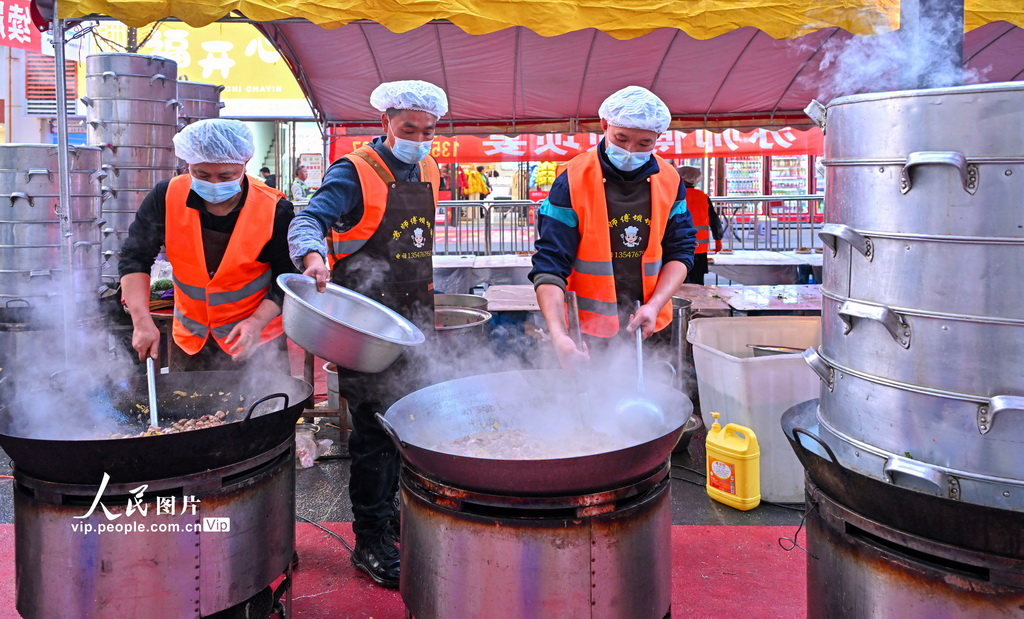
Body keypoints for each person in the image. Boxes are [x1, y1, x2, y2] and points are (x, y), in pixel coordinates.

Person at [287, 79, 447, 589]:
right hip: (366, 328)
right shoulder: (352, 170)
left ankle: (397, 515)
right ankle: (370, 540)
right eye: (408, 129)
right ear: (385, 123)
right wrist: (313, 255)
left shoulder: (428, 167)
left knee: (412, 427)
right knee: (375, 434)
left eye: (427, 130)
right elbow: (310, 219)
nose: (418, 138)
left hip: (416, 319)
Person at [529, 86, 697, 371]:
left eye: (644, 143)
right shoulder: (572, 178)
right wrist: (558, 334)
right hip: (587, 330)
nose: (631, 151)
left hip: (649, 322)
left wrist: (655, 305)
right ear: (605, 125)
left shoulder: (670, 179)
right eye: (621, 138)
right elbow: (550, 263)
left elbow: (680, 250)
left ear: (659, 138)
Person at [119, 119, 296, 373]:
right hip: (192, 339)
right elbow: (135, 258)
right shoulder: (166, 197)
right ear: (188, 165)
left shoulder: (274, 208)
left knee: (265, 407)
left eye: (226, 175)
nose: (214, 183)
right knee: (188, 410)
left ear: (245, 164)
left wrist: (256, 322)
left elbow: (287, 277)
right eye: (202, 174)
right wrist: (141, 320)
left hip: (257, 338)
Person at [678, 166, 724, 285]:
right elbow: (714, 220)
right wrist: (718, 240)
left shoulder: (676, 196)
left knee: (678, 282)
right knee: (697, 283)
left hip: (678, 247)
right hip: (700, 249)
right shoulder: (703, 197)